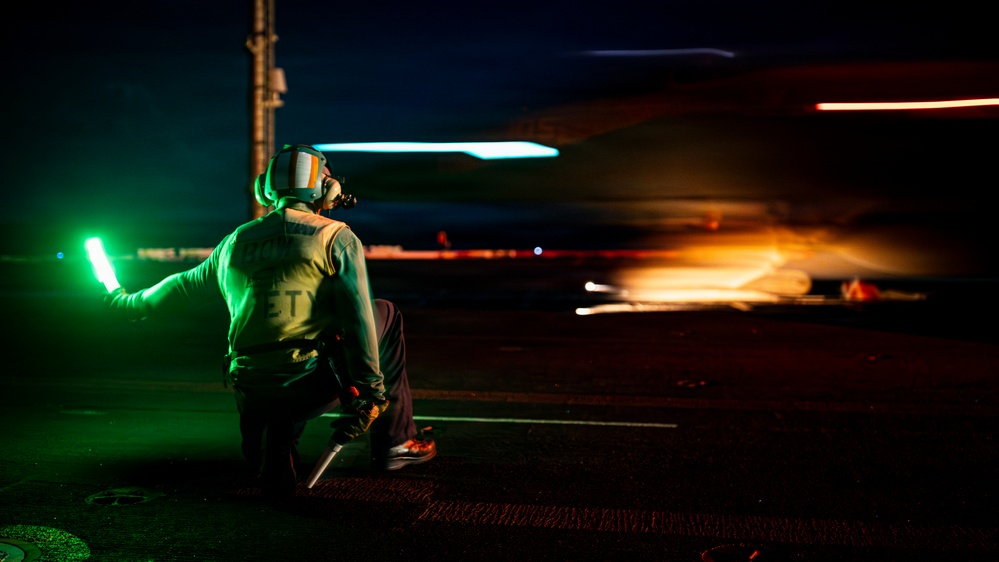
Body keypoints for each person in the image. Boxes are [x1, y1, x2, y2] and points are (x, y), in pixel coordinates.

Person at [104, 144, 435, 497]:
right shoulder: (335, 236)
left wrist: (126, 302)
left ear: (266, 188)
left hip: (249, 387)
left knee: (273, 391)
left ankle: (275, 440)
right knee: (383, 310)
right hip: (309, 384)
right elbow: (358, 317)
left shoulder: (233, 242)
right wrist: (371, 392)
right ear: (326, 189)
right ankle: (395, 445)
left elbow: (179, 288)